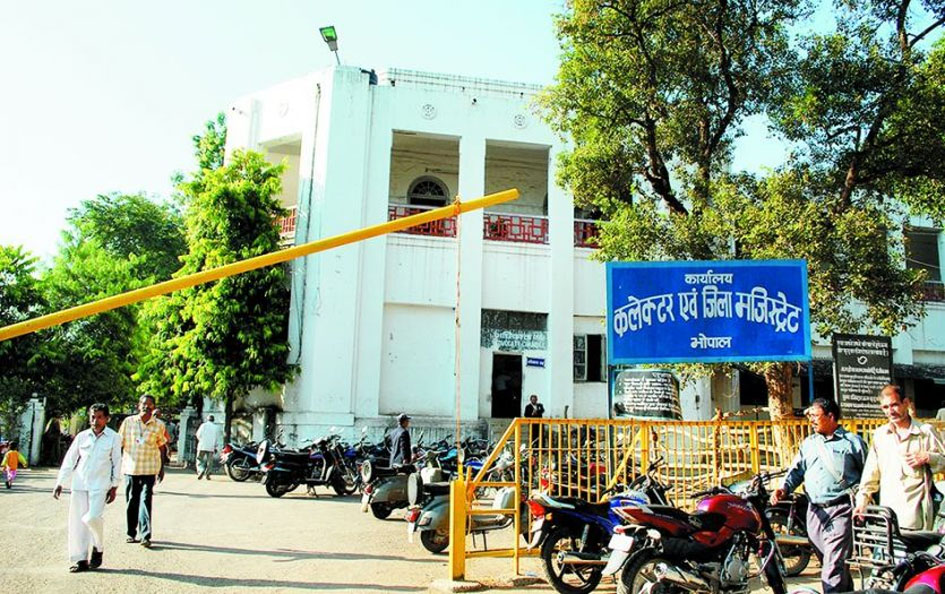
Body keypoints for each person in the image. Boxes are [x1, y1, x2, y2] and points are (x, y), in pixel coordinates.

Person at [770, 397, 867, 594]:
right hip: (815, 512)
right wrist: (784, 488)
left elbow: (869, 477)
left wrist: (865, 506)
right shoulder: (809, 444)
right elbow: (796, 471)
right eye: (810, 416)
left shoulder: (852, 443)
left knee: (833, 565)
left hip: (841, 510)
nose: (811, 420)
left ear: (831, 416)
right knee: (831, 563)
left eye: (815, 416)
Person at [854, 384, 945, 531]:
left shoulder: (925, 432)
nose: (890, 411)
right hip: (888, 518)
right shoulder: (881, 436)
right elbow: (870, 475)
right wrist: (862, 502)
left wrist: (929, 457)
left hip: (917, 520)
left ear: (906, 403)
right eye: (885, 407)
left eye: (894, 405)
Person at [53, 403, 122, 573]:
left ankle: (98, 547)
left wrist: (114, 486)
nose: (95, 421)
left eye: (99, 417)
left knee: (92, 518)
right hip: (80, 484)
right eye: (93, 417)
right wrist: (60, 482)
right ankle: (80, 559)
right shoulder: (82, 437)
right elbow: (70, 459)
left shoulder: (113, 438)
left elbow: (117, 462)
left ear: (107, 419)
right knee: (77, 523)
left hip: (100, 485)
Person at [118, 394, 168, 548]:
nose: (146, 406)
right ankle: (131, 533)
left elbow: (162, 447)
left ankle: (145, 535)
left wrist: (162, 468)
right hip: (131, 468)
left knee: (146, 500)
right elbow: (119, 443)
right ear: (138, 405)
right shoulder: (128, 422)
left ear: (154, 407)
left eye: (150, 404)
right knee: (132, 500)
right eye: (144, 404)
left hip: (149, 468)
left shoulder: (159, 425)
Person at [195, 415, 222, 480]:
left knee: (199, 459)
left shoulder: (203, 425)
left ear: (207, 419)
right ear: (213, 420)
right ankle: (208, 474)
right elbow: (217, 438)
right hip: (211, 447)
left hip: (202, 445)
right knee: (210, 462)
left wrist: (201, 440)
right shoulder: (216, 427)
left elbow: (198, 434)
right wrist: (215, 446)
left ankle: (201, 470)